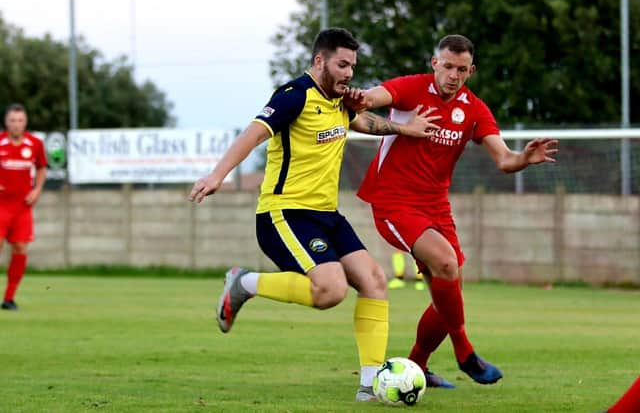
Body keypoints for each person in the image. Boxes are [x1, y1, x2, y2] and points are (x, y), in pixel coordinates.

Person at [188, 27, 440, 402]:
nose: (349, 73)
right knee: (331, 290)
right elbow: (254, 134)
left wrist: (406, 129)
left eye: (352, 65)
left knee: (374, 281)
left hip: (326, 215)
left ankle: (370, 386)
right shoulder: (294, 96)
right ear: (319, 60)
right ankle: (244, 283)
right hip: (284, 213)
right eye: (342, 64)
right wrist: (218, 174)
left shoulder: (339, 101)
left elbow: (363, 123)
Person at [352, 34, 559, 388]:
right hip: (393, 201)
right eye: (447, 66)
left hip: (436, 207)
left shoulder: (474, 109)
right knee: (447, 264)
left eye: (461, 69)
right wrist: (360, 96)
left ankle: (416, 366)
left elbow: (505, 160)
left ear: (471, 70)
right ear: (435, 63)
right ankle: (465, 353)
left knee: (448, 296)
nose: (453, 74)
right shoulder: (411, 89)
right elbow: (370, 100)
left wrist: (524, 158)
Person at [0, 103, 47, 311]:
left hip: (21, 207)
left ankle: (9, 298)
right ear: (6, 122)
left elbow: (41, 168)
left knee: (20, 248)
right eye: (12, 120)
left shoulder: (35, 144)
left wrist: (37, 190)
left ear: (25, 122)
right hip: (1, 205)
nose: (16, 124)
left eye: (20, 120)